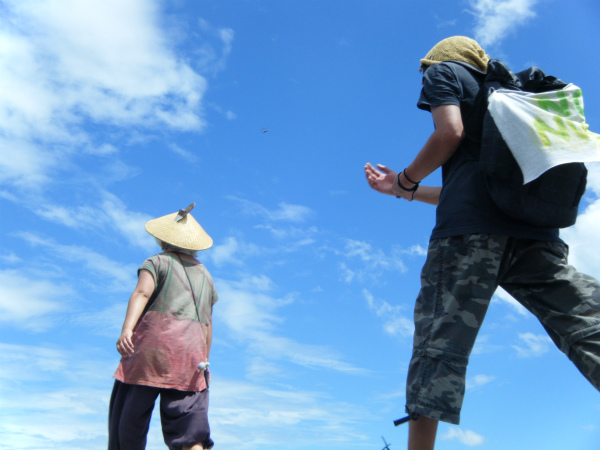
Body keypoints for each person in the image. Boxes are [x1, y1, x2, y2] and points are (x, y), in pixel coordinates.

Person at [364, 36, 600, 450]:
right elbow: (468, 186)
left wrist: (406, 178)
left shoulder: (443, 69)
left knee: (438, 345)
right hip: (535, 233)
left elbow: (449, 133)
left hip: (467, 235)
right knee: (587, 323)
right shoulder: (510, 98)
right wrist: (403, 192)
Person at [108, 203, 218, 450]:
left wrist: (127, 329)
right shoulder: (207, 276)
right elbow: (207, 323)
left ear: (163, 238)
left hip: (149, 351)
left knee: (129, 419)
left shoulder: (157, 262)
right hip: (190, 357)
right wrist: (205, 359)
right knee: (190, 429)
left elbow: (142, 293)